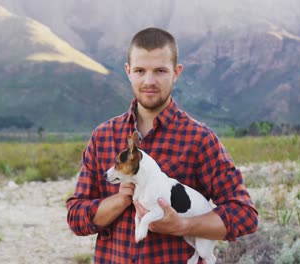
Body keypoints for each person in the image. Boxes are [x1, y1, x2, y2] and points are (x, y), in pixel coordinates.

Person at [66, 27, 258, 263]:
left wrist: (183, 225)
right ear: (128, 72)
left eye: (160, 71)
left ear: (176, 72)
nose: (149, 81)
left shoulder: (199, 139)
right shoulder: (103, 136)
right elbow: (75, 218)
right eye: (140, 70)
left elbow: (244, 215)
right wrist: (120, 200)